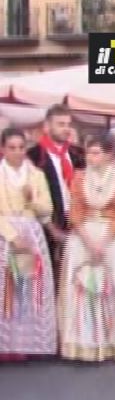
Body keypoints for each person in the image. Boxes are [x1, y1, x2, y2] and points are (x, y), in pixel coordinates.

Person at [59, 134, 115, 362]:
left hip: (112, 233)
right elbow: (75, 211)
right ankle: (82, 342)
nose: (91, 158)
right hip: (84, 233)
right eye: (88, 153)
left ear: (110, 154)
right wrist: (89, 241)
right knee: (79, 283)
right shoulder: (79, 177)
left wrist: (106, 239)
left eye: (96, 152)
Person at [0, 128, 56, 362]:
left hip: (32, 232)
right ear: (3, 149)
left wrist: (32, 199)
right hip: (4, 235)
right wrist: (12, 236)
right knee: (5, 289)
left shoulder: (37, 175)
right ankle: (4, 344)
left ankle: (26, 343)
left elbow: (47, 209)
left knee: (29, 289)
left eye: (21, 147)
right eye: (12, 148)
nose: (17, 152)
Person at [27, 104, 85, 276]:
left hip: (76, 221)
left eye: (68, 124)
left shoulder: (78, 154)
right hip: (47, 224)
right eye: (61, 124)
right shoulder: (34, 156)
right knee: (49, 274)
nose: (66, 129)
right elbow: (32, 197)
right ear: (47, 126)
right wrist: (51, 227)